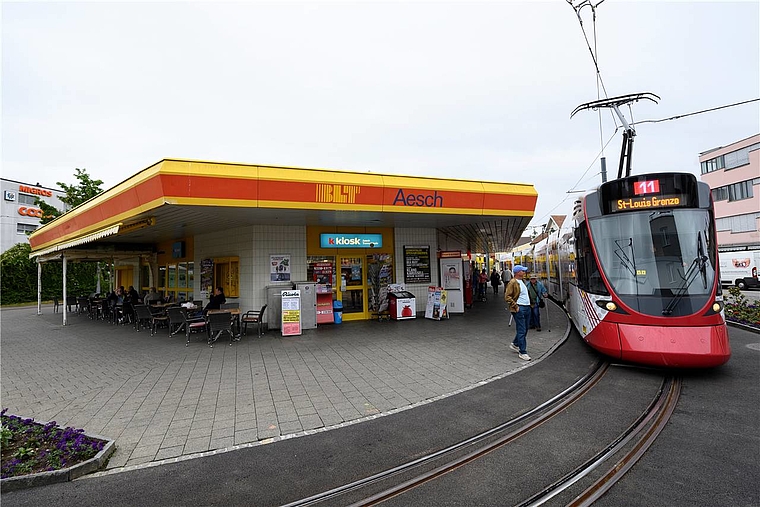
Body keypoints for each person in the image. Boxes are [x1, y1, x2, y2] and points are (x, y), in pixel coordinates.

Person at [504, 265, 532, 361]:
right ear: (517, 272)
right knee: (522, 329)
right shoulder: (513, 282)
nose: (524, 272)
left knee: (525, 328)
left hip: (527, 307)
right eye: (522, 271)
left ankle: (515, 344)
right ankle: (522, 352)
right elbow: (507, 296)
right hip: (520, 308)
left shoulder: (522, 281)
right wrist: (516, 306)